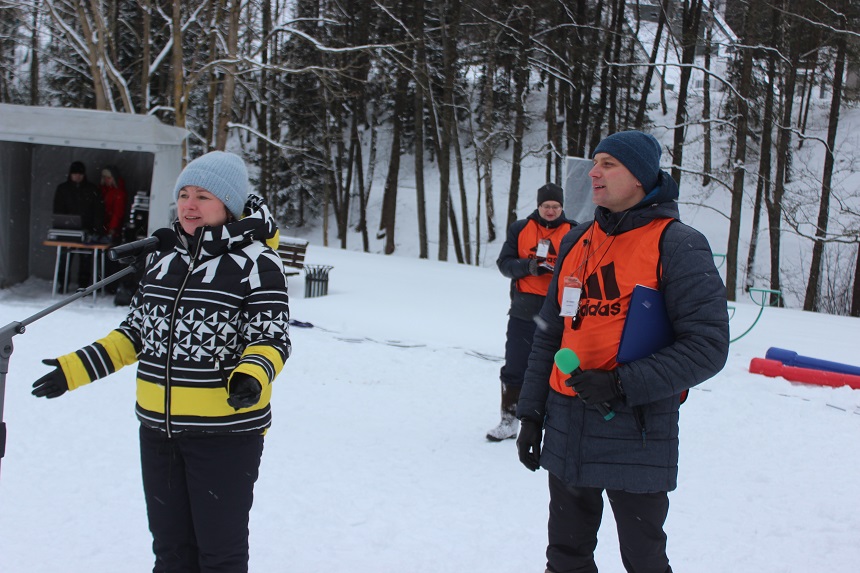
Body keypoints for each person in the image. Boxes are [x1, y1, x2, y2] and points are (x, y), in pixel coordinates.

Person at [32, 150, 291, 573]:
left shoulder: (258, 262)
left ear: (228, 204)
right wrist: (74, 369)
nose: (189, 205)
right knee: (170, 553)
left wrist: (251, 375)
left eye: (203, 196)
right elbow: (135, 333)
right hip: (157, 431)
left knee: (219, 555)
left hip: (224, 434)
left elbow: (271, 337)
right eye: (184, 195)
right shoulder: (163, 258)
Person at [515, 131, 729, 573]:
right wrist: (532, 414)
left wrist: (619, 383)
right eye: (595, 162)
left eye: (608, 164)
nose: (594, 172)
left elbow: (707, 347)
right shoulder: (577, 240)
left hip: (636, 431)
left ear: (639, 177)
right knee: (566, 558)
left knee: (643, 560)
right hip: (567, 424)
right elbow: (550, 334)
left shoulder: (678, 244)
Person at [486, 183, 574, 441]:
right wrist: (530, 267)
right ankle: (508, 420)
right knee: (515, 365)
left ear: (562, 208)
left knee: (556, 367)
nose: (551, 211)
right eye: (546, 206)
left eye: (555, 206)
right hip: (524, 309)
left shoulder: (574, 231)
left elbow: (584, 266)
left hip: (557, 311)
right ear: (538, 206)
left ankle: (550, 420)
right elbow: (504, 264)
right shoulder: (520, 228)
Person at [53, 160, 105, 288]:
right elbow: (58, 210)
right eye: (75, 174)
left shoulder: (92, 189)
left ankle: (83, 285)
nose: (77, 176)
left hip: (88, 230)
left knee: (86, 260)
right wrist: (62, 226)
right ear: (70, 174)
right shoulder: (63, 189)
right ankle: (62, 283)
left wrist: (96, 230)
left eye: (80, 174)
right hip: (67, 231)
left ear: (84, 175)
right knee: (64, 257)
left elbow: (98, 211)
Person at [99, 165, 128, 243]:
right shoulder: (103, 190)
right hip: (104, 228)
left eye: (109, 178)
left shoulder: (119, 193)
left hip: (112, 231)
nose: (106, 180)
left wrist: (112, 228)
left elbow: (118, 213)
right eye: (104, 177)